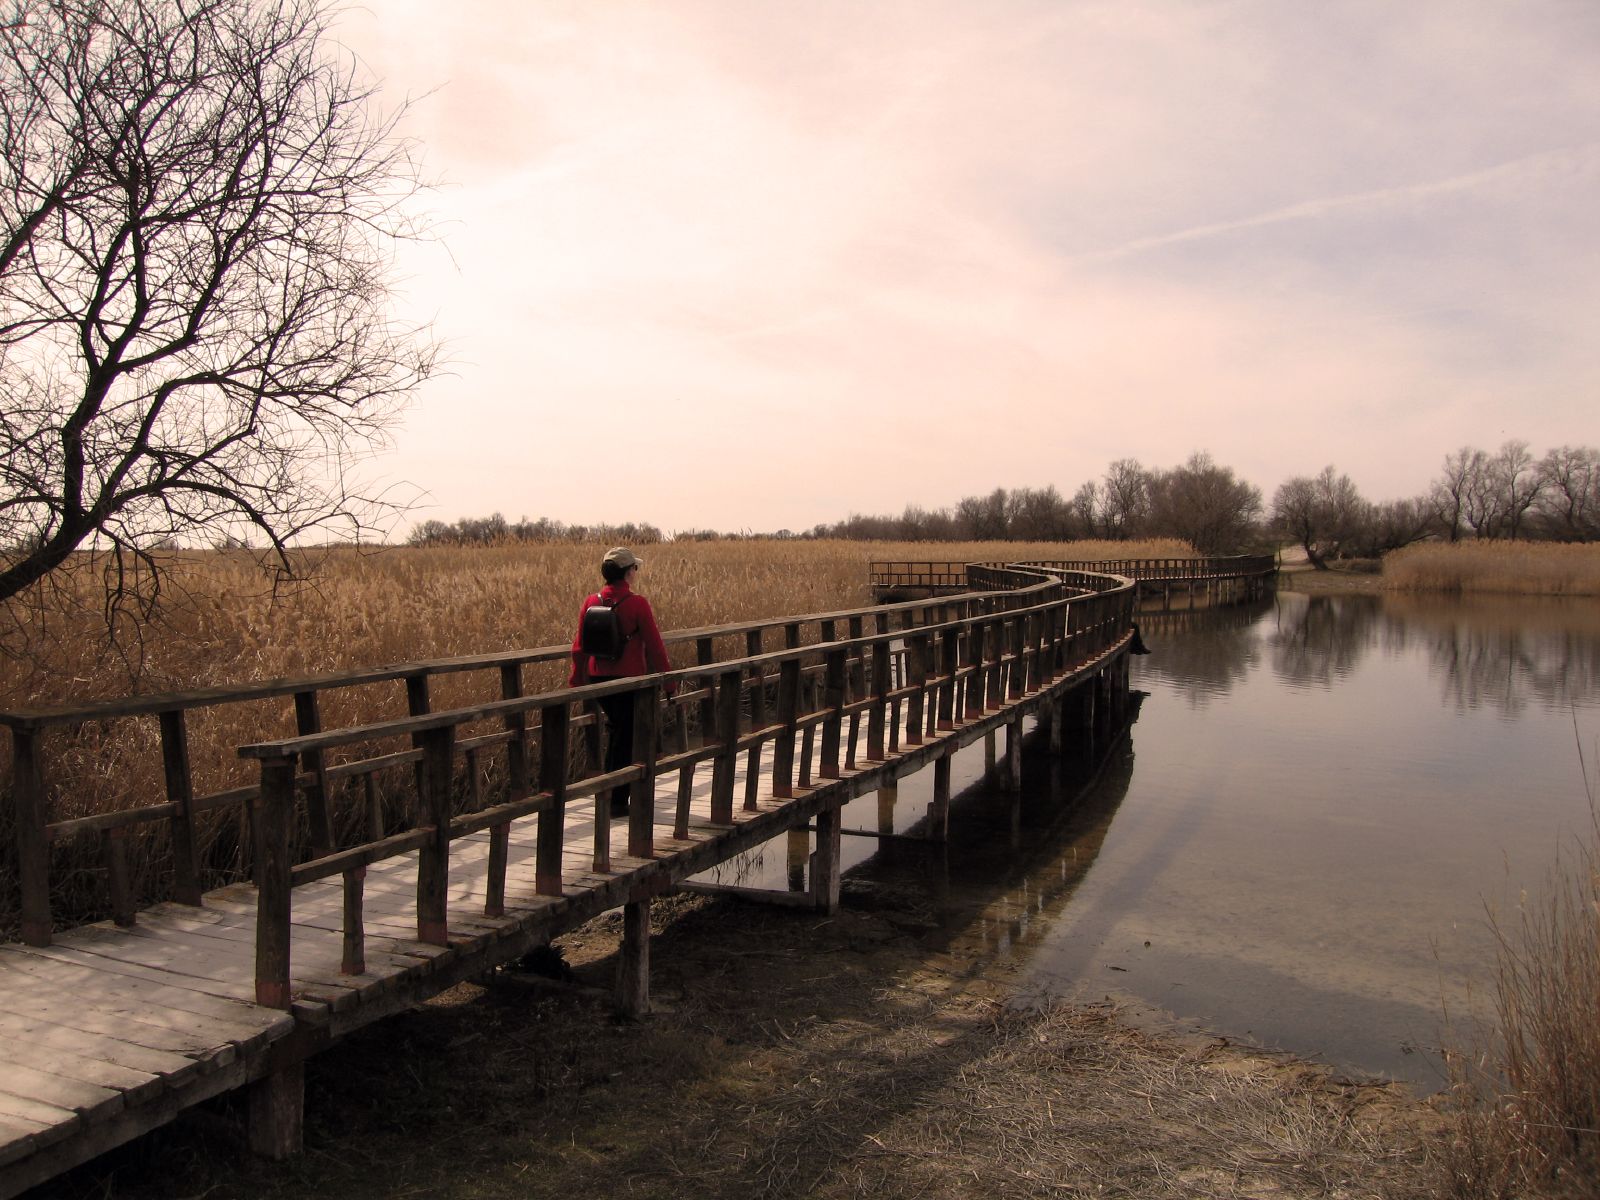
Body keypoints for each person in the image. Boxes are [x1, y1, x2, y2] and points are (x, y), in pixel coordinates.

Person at [569, 547, 672, 815]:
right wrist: (669, 681)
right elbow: (655, 646)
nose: (636, 572)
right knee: (624, 736)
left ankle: (612, 795)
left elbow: (579, 646)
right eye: (634, 568)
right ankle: (615, 800)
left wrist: (577, 677)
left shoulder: (591, 601)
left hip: (597, 678)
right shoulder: (637, 603)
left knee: (618, 731)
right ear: (628, 572)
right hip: (628, 680)